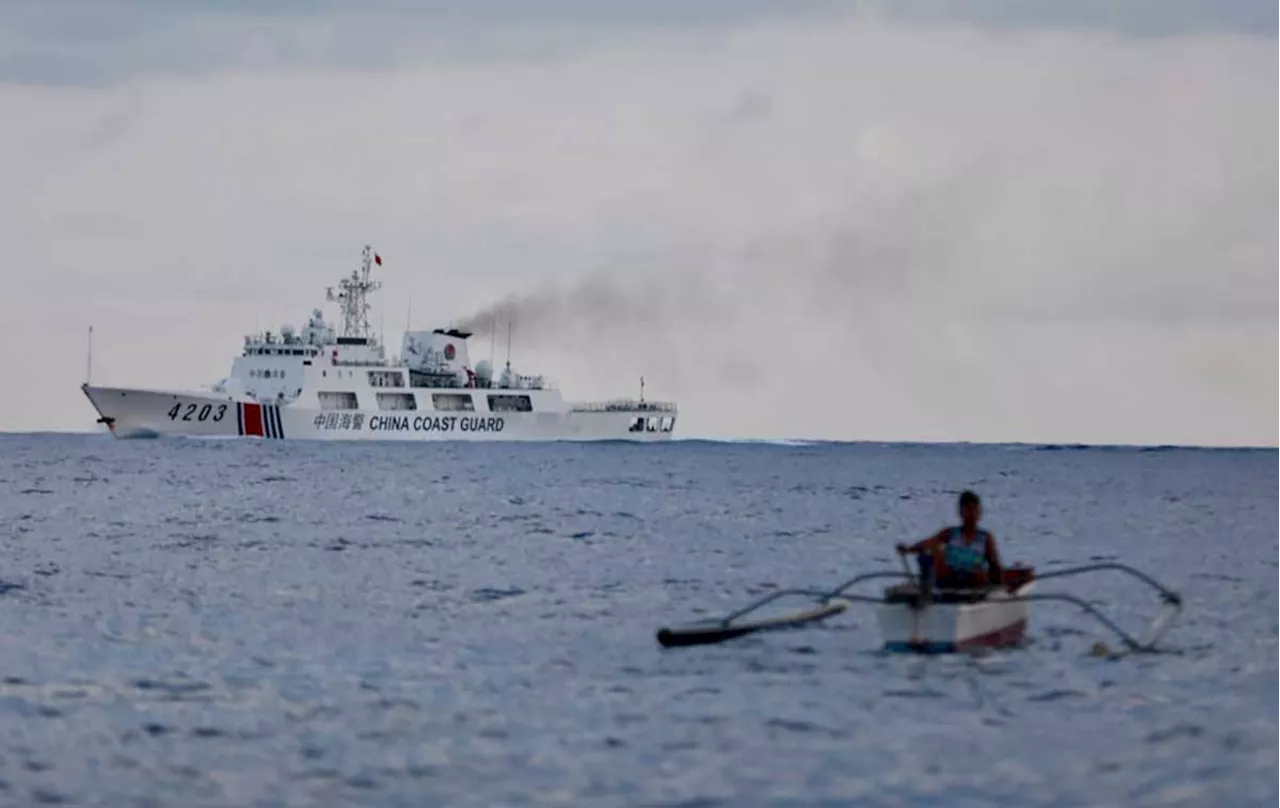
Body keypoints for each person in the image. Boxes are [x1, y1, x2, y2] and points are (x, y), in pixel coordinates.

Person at [896, 490, 1003, 589]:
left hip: (974, 582)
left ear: (979, 513)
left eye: (974, 510)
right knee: (936, 552)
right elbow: (929, 543)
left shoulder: (985, 537)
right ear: (961, 513)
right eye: (967, 510)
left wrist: (999, 583)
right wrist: (908, 549)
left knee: (979, 574)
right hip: (949, 579)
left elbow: (995, 565)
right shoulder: (950, 533)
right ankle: (928, 594)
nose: (971, 515)